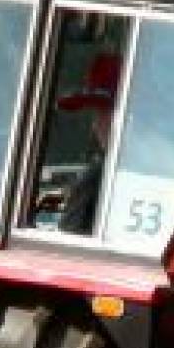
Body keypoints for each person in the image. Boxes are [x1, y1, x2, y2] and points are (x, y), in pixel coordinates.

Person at [55, 52, 121, 233]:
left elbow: (67, 252)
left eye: (104, 113)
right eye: (97, 114)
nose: (96, 126)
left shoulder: (95, 181)